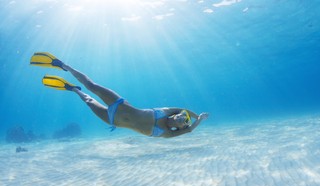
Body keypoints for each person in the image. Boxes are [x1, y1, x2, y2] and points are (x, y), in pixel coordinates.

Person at [30, 52, 209, 138]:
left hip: (112, 120)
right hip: (119, 104)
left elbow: (191, 129)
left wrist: (198, 119)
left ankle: (72, 88)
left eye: (181, 119)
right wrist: (195, 114)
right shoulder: (165, 111)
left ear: (180, 125)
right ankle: (64, 66)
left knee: (87, 99)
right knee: (92, 85)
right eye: (180, 115)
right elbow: (184, 109)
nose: (179, 116)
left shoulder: (167, 133)